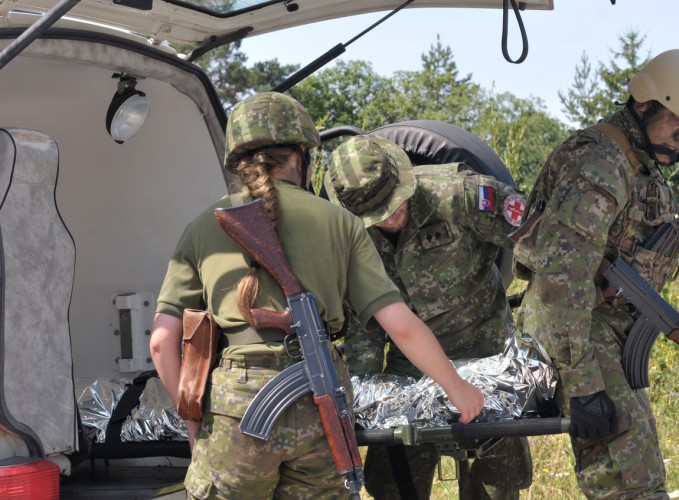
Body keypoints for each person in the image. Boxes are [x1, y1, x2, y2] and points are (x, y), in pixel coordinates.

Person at [149, 91, 484, 499]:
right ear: (301, 156)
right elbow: (401, 325)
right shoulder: (340, 222)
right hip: (320, 405)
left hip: (235, 407)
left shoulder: (203, 226)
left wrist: (195, 422)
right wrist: (457, 388)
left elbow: (163, 341)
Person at [512, 49, 679, 499]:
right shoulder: (602, 165)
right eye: (676, 125)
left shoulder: (641, 161)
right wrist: (584, 385)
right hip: (571, 325)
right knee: (627, 477)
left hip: (600, 325)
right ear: (645, 105)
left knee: (641, 465)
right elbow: (560, 279)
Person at [324, 134, 531, 500]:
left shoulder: (461, 195)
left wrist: (535, 334)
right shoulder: (348, 232)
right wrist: (361, 398)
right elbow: (362, 320)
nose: (388, 218)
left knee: (497, 484)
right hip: (409, 371)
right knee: (391, 484)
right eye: (377, 215)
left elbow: (540, 245)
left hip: (489, 359)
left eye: (393, 205)